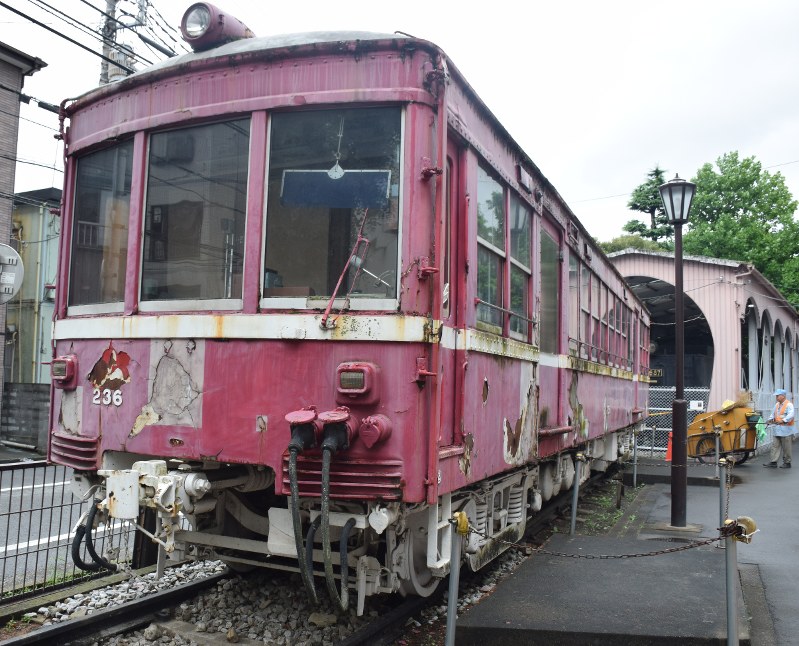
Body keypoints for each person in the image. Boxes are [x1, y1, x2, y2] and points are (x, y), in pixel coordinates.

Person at [763, 389, 794, 468]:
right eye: (776, 396)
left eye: (777, 396)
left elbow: (791, 415)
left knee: (786, 447)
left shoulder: (789, 405)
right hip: (777, 429)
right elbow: (773, 414)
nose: (776, 397)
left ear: (783, 396)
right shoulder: (777, 404)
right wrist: (769, 420)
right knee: (775, 446)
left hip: (786, 430)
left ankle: (787, 463)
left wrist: (783, 420)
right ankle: (773, 462)